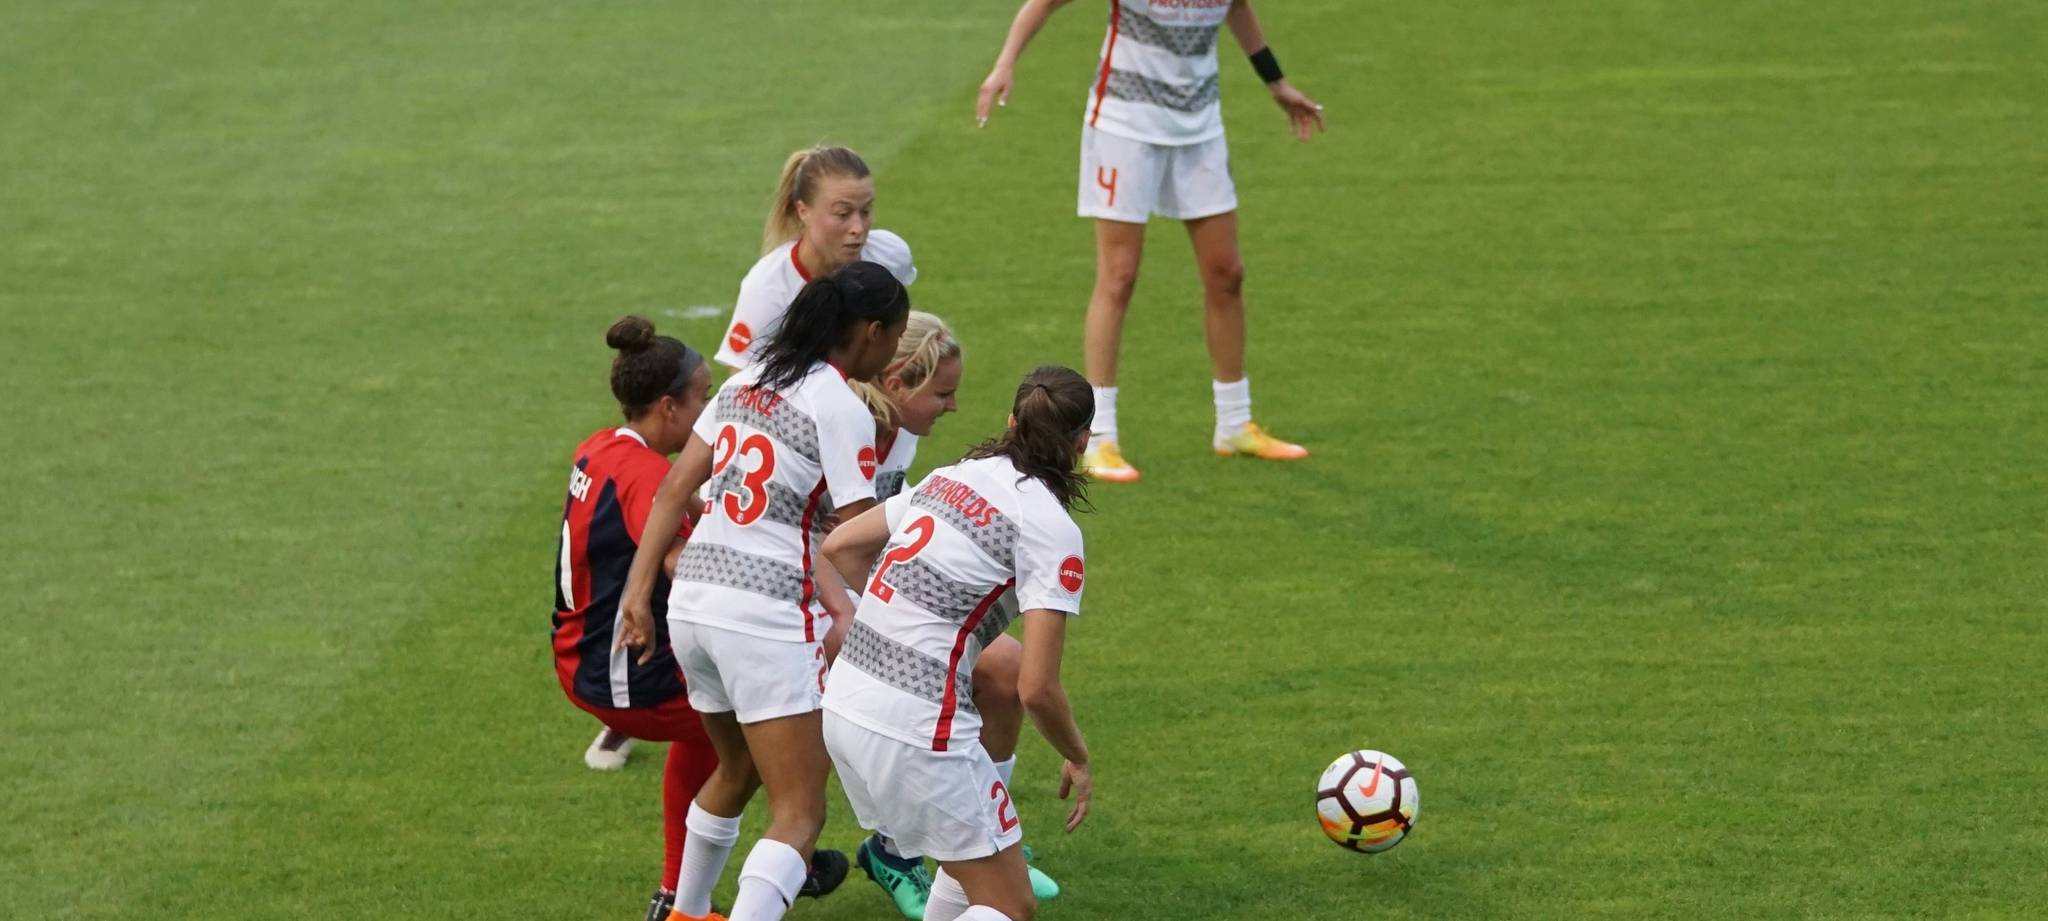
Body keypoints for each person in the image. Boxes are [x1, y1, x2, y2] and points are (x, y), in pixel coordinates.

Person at [619, 261, 910, 921]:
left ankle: (686, 911)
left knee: (737, 771)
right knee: (800, 813)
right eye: (894, 337)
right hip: (765, 617)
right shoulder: (840, 406)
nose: (893, 351)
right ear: (870, 332)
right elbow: (854, 537)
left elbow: (673, 489)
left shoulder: (745, 379)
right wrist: (909, 611)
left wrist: (638, 593)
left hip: (693, 605)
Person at [976, 0, 1326, 483]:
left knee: (1227, 273)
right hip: (1125, 127)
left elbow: (1237, 8)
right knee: (1119, 276)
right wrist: (1005, 63)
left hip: (1200, 126)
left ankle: (1233, 424)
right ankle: (1100, 438)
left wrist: (1276, 82)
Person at [820, 366, 1098, 921]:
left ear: (1012, 422)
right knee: (1010, 906)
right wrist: (1077, 755)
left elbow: (841, 545)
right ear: (1083, 442)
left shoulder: (954, 476)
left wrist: (901, 612)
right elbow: (1037, 688)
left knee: (967, 866)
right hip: (918, 728)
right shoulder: (1050, 529)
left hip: (845, 703)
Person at [550, 316, 720, 921]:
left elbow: (678, 503)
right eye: (703, 398)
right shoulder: (647, 477)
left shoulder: (602, 446)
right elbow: (683, 565)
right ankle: (778, 864)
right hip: (626, 677)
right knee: (776, 722)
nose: (710, 412)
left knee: (718, 732)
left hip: (583, 656)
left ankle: (683, 892)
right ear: (669, 406)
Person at [716, 144, 917, 371]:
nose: (858, 228)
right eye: (842, 214)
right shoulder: (768, 288)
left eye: (866, 211)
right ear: (803, 211)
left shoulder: (890, 255)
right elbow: (740, 380)